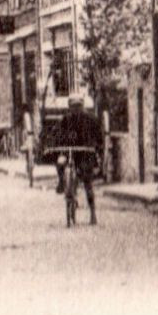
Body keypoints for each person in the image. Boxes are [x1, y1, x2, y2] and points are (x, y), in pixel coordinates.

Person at [60, 96, 102, 225]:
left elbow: (98, 136)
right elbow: (59, 135)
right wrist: (60, 147)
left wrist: (96, 147)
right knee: (60, 164)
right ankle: (63, 184)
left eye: (78, 106)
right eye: (73, 106)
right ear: (70, 107)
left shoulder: (91, 119)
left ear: (82, 106)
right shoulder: (66, 119)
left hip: (85, 154)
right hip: (71, 152)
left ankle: (93, 213)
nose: (76, 109)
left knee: (87, 182)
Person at [21, 116, 37, 189]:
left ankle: (30, 168)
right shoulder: (25, 132)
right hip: (29, 143)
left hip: (33, 140)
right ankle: (29, 170)